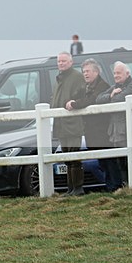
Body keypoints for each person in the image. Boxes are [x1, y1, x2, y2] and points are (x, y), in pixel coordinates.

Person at [96, 62, 132, 191]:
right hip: (115, 132)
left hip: (126, 131)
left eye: (118, 73)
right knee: (119, 161)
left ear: (127, 73)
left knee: (128, 161)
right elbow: (98, 99)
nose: (116, 75)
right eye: (114, 73)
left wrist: (113, 96)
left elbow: (118, 99)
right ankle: (124, 187)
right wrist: (111, 94)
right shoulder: (115, 87)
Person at [66, 59, 111, 181]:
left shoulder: (103, 86)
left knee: (108, 161)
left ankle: (114, 187)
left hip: (102, 131)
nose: (85, 74)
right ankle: (109, 187)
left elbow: (92, 99)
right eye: (83, 71)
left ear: (96, 72)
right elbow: (78, 97)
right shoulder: (86, 87)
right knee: (101, 161)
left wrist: (74, 104)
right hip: (91, 131)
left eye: (88, 71)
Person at [51, 52, 85, 196]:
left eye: (64, 61)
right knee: (66, 157)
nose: (61, 63)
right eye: (59, 61)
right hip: (61, 123)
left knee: (74, 156)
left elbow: (81, 97)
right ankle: (70, 188)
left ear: (71, 62)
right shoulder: (59, 79)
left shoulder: (77, 77)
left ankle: (78, 188)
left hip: (73, 123)